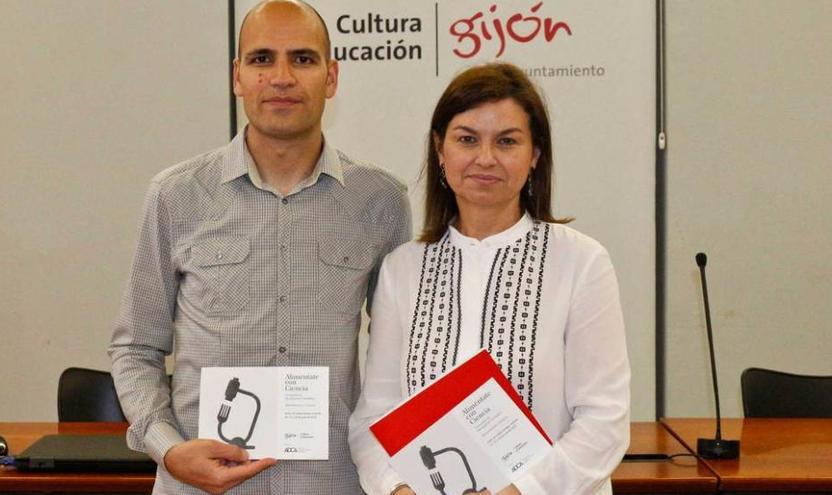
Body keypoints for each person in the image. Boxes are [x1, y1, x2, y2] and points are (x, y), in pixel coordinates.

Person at [108, 1, 412, 493]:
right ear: (238, 76)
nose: (282, 77)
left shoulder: (381, 202)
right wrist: (168, 448)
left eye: (304, 59)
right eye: (262, 59)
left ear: (331, 77)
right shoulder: (176, 194)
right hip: (201, 486)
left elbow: (402, 357)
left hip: (331, 482)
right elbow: (134, 347)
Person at [348, 62, 630, 495]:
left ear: (534, 155)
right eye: (466, 139)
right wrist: (397, 488)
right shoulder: (402, 269)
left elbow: (604, 421)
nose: (485, 158)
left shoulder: (581, 262)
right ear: (440, 152)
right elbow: (375, 416)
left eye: (507, 141)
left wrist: (522, 490)